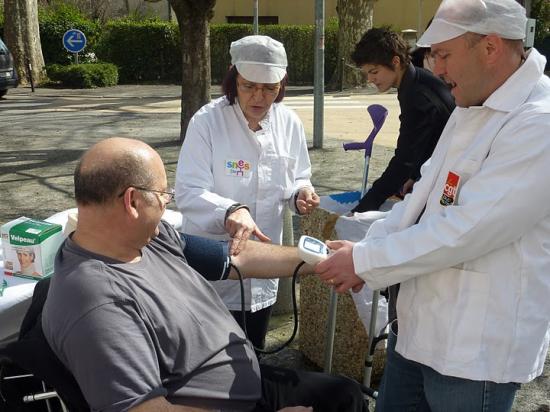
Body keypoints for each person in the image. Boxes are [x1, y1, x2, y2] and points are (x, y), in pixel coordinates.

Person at [316, 0, 550, 411]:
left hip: (475, 351)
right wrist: (367, 250)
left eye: (443, 54)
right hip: (418, 329)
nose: (436, 69)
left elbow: (468, 228)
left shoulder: (537, 122)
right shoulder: (472, 103)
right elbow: (421, 196)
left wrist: (367, 261)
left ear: (491, 47)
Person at [42, 137, 366, 412]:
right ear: (132, 201)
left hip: (246, 382)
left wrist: (323, 259)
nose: (169, 203)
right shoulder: (96, 303)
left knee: (345, 394)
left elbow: (236, 258)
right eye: (163, 194)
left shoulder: (147, 238)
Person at [175, 35, 319, 349]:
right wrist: (230, 210)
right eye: (248, 86)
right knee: (210, 357)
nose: (259, 97)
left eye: (269, 88)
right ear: (233, 78)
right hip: (216, 264)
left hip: (264, 267)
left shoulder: (289, 123)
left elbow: (297, 178)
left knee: (253, 354)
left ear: (281, 85)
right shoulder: (207, 122)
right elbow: (188, 191)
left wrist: (301, 194)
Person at [349, 28, 455, 213]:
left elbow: (404, 159)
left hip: (450, 179)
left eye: (374, 71)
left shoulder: (417, 95)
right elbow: (427, 137)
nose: (370, 79)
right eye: (367, 73)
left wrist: (362, 208)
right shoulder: (416, 80)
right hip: (441, 170)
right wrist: (414, 175)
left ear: (395, 61)